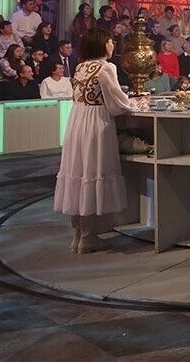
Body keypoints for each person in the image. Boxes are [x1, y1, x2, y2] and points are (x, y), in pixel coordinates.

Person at [54, 27, 137, 254]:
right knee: (92, 172)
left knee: (78, 174)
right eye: (110, 41)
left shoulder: (80, 67)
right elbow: (117, 104)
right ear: (101, 43)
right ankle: (88, 237)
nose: (112, 45)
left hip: (77, 122)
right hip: (95, 123)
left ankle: (78, 235)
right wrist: (134, 103)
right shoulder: (106, 67)